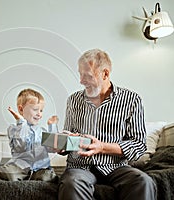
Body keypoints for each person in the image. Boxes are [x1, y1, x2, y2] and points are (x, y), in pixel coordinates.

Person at [58, 49, 157, 200]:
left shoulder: (132, 100)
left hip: (117, 167)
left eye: (88, 75)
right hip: (80, 167)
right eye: (80, 74)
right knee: (72, 183)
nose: (81, 81)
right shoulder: (73, 100)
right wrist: (62, 144)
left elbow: (138, 145)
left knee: (143, 181)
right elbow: (68, 136)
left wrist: (102, 147)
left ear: (105, 74)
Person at [0, 88, 59, 182]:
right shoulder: (14, 129)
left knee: (48, 177)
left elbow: (52, 148)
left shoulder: (42, 131)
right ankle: (3, 171)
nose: (39, 114)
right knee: (8, 174)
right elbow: (21, 145)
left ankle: (36, 176)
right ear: (21, 109)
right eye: (35, 109)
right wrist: (21, 123)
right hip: (20, 167)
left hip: (41, 167)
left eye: (41, 110)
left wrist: (52, 127)